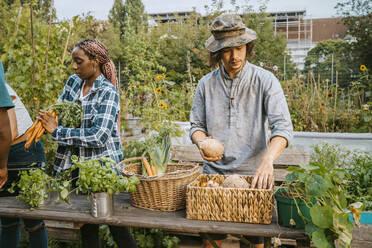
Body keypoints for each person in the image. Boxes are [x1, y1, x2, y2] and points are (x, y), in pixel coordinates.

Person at [189, 14, 293, 248]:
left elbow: (283, 127)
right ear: (217, 52)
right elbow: (196, 126)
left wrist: (267, 160)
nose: (234, 56)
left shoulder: (266, 80)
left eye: (239, 47)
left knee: (255, 243)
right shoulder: (206, 84)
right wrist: (202, 142)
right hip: (213, 178)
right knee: (210, 242)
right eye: (227, 50)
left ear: (248, 46)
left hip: (253, 178)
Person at [38, 39, 137, 248]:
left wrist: (58, 131)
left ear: (95, 61)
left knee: (115, 224)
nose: (74, 66)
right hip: (76, 167)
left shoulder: (108, 92)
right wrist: (48, 121)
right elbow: (59, 111)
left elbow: (98, 136)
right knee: (87, 226)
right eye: (73, 61)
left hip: (101, 169)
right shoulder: (73, 83)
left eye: (79, 61)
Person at [0, 81, 48, 248]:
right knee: (7, 221)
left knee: (33, 221)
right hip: (3, 155)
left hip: (25, 152)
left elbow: (11, 130)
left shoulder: (2, 88)